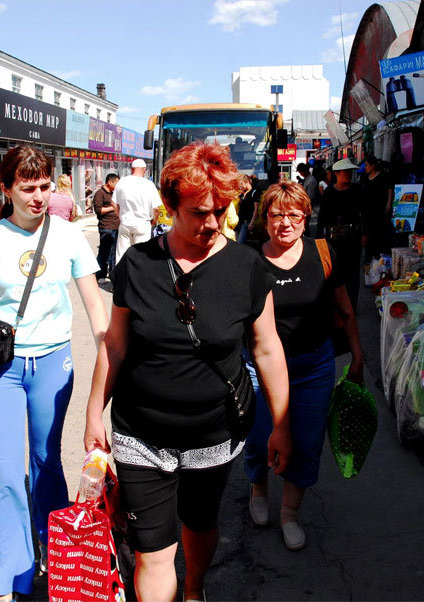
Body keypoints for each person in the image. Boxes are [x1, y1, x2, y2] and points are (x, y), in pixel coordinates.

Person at [84, 142, 292, 602]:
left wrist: (281, 425)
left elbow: (267, 348)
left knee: (200, 524)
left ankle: (195, 589)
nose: (213, 223)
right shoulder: (136, 265)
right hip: (140, 433)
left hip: (214, 432)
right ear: (170, 205)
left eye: (221, 209)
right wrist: (92, 413)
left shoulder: (247, 267)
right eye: (199, 212)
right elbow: (115, 345)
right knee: (153, 552)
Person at [0, 145, 108, 601]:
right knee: (8, 474)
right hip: (2, 371)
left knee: (47, 463)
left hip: (54, 364)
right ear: (6, 188)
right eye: (27, 188)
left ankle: (54, 560)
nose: (38, 197)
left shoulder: (69, 236)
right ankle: (10, 577)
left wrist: (112, 371)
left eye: (45, 187)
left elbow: (95, 309)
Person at [243, 180, 363, 551]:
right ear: (265, 218)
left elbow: (344, 308)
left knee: (307, 441)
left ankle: (289, 514)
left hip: (313, 365)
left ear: (306, 218)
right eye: (277, 215)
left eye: (294, 215)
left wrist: (358, 354)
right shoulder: (249, 258)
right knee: (260, 434)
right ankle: (258, 488)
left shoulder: (323, 254)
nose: (285, 223)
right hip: (260, 367)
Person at [316, 158, 363, 308]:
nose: (348, 175)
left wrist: (364, 233)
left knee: (353, 273)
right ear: (337, 173)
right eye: (345, 172)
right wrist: (318, 240)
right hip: (334, 240)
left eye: (350, 172)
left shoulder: (357, 190)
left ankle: (352, 305)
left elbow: (365, 213)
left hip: (353, 238)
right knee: (335, 272)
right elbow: (322, 217)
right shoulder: (329, 192)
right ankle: (337, 305)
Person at [115, 158, 162, 261]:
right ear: (144, 170)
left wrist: (120, 216)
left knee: (122, 254)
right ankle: (138, 276)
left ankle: (120, 276)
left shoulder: (122, 182)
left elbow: (114, 204)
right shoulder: (149, 185)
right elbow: (156, 209)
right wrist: (153, 221)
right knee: (141, 255)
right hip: (142, 223)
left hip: (125, 222)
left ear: (132, 169)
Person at [360, 155, 395, 261]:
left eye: (366, 165)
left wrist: (389, 203)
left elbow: (390, 190)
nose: (365, 167)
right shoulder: (365, 178)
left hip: (380, 210)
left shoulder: (383, 176)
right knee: (369, 236)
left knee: (380, 234)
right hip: (368, 211)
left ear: (373, 166)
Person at [94, 173, 119, 282]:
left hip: (116, 226)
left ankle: (113, 274)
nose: (117, 186)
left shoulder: (114, 193)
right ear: (110, 182)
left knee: (114, 253)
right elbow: (99, 210)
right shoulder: (100, 194)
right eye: (116, 183)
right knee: (104, 252)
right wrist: (112, 208)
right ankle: (100, 275)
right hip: (106, 227)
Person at [236, 174, 258, 244]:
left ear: (247, 182)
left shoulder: (254, 192)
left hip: (247, 221)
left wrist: (251, 222)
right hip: (239, 220)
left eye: (242, 184)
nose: (241, 187)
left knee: (240, 242)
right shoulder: (242, 193)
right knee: (235, 240)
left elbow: (256, 209)